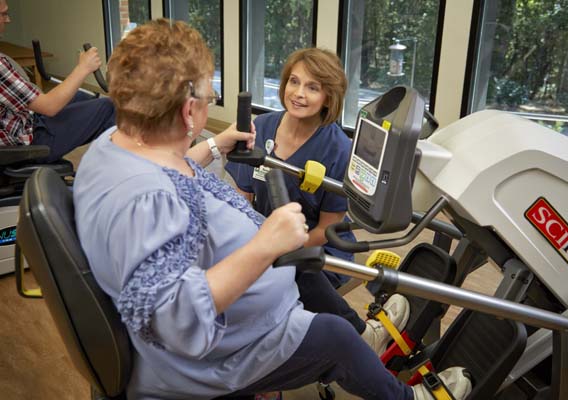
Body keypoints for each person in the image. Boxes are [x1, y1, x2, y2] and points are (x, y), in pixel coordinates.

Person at [74, 19, 471, 400]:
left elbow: (169, 166)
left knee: (303, 274)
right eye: (208, 96)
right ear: (187, 112)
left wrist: (215, 145)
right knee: (334, 338)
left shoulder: (117, 140)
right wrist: (265, 245)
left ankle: (360, 336)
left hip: (255, 293)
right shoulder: (146, 200)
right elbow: (178, 321)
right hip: (221, 352)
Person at [225, 47, 405, 355]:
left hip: (318, 247)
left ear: (328, 97)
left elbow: (326, 228)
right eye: (293, 82)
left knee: (290, 268)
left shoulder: (337, 148)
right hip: (267, 238)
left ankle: (362, 335)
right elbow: (244, 200)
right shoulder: (262, 127)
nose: (298, 94)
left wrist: (275, 248)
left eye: (312, 87)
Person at [0, 0, 114, 162]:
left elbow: (34, 98)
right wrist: (83, 68)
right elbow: (49, 107)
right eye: (3, 14)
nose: (8, 20)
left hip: (23, 120)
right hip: (25, 144)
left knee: (82, 97)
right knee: (108, 107)